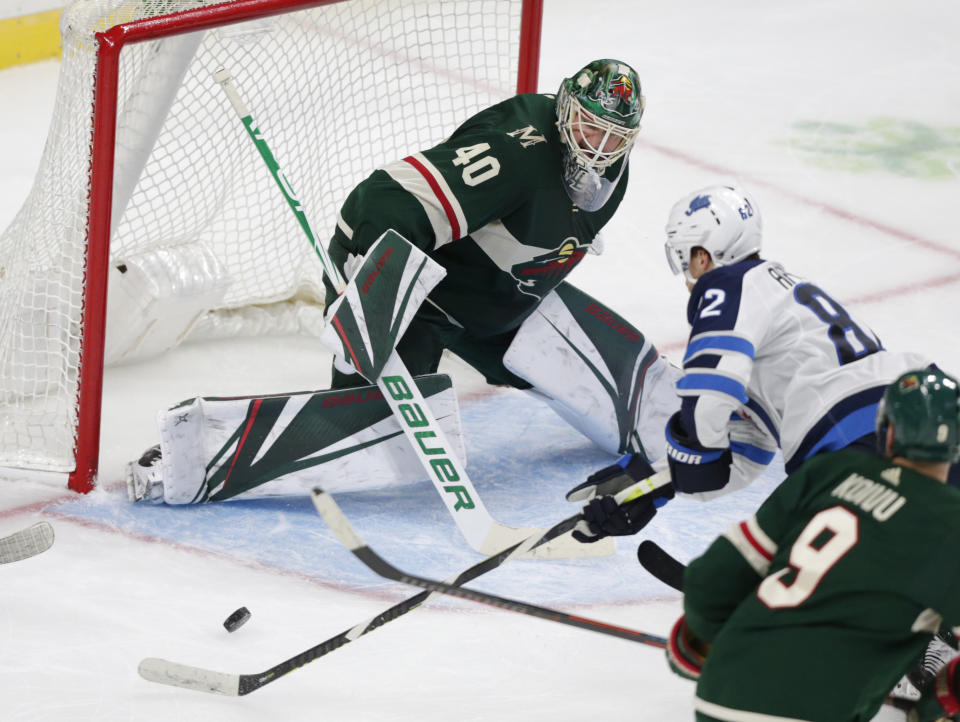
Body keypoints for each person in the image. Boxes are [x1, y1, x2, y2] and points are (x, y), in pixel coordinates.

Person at [128, 59, 682, 504]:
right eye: (589, 125)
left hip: (500, 304)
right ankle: (189, 459)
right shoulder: (517, 153)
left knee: (637, 386)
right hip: (423, 298)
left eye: (614, 136)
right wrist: (367, 279)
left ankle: (703, 425)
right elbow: (388, 199)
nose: (598, 146)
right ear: (564, 110)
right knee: (372, 437)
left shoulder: (612, 172)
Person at [569, 183, 934, 542]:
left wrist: (685, 458)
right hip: (929, 404)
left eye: (686, 259)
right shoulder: (777, 300)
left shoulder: (728, 284)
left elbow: (709, 392)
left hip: (852, 432)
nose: (687, 277)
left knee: (800, 551)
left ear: (703, 254)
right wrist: (652, 484)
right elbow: (743, 452)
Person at [664, 368, 960, 721]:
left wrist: (704, 641)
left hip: (722, 695)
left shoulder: (831, 471)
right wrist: (945, 698)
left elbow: (711, 581)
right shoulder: (951, 523)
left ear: (889, 430)